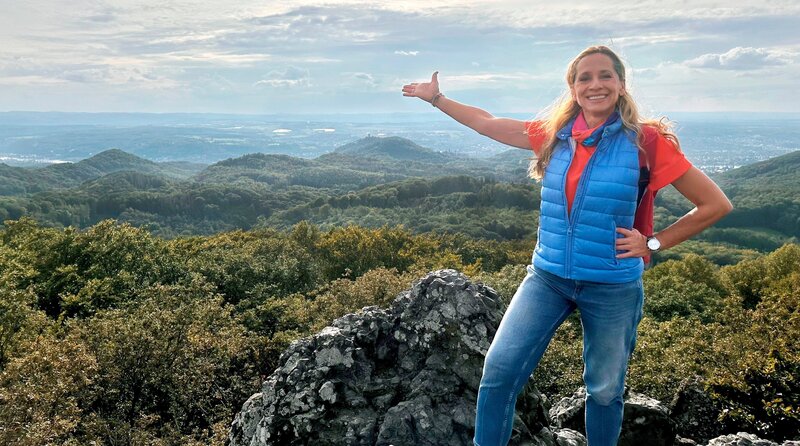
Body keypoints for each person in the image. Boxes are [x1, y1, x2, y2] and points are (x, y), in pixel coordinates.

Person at [402, 45, 732, 446]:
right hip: (548, 277)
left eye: (605, 76)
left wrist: (654, 242)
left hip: (612, 285)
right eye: (584, 78)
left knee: (606, 390)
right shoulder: (556, 136)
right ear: (573, 88)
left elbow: (715, 204)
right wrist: (435, 98)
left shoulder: (647, 142)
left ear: (621, 84)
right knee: (499, 372)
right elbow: (486, 123)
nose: (595, 84)